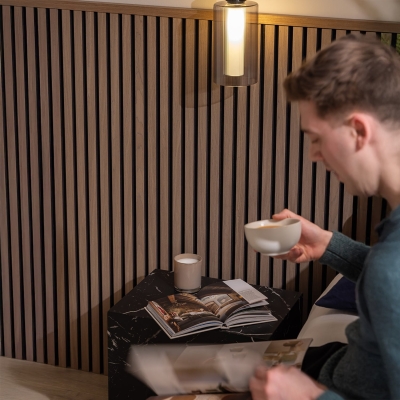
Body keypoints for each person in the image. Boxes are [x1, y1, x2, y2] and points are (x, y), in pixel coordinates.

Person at [249, 34, 400, 400]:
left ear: (358, 131)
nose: (314, 155)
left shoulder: (390, 268)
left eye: (315, 138)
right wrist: (330, 246)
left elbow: (390, 277)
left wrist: (308, 396)